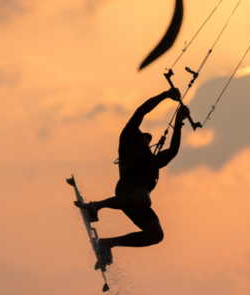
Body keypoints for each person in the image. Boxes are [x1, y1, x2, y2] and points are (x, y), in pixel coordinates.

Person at [78, 87, 190, 266]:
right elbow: (141, 111)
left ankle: (108, 243)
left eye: (147, 138)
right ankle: (95, 206)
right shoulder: (127, 138)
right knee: (144, 199)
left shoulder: (152, 161)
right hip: (127, 189)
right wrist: (165, 95)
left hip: (137, 199)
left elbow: (173, 151)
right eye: (143, 135)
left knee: (156, 234)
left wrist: (178, 123)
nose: (144, 138)